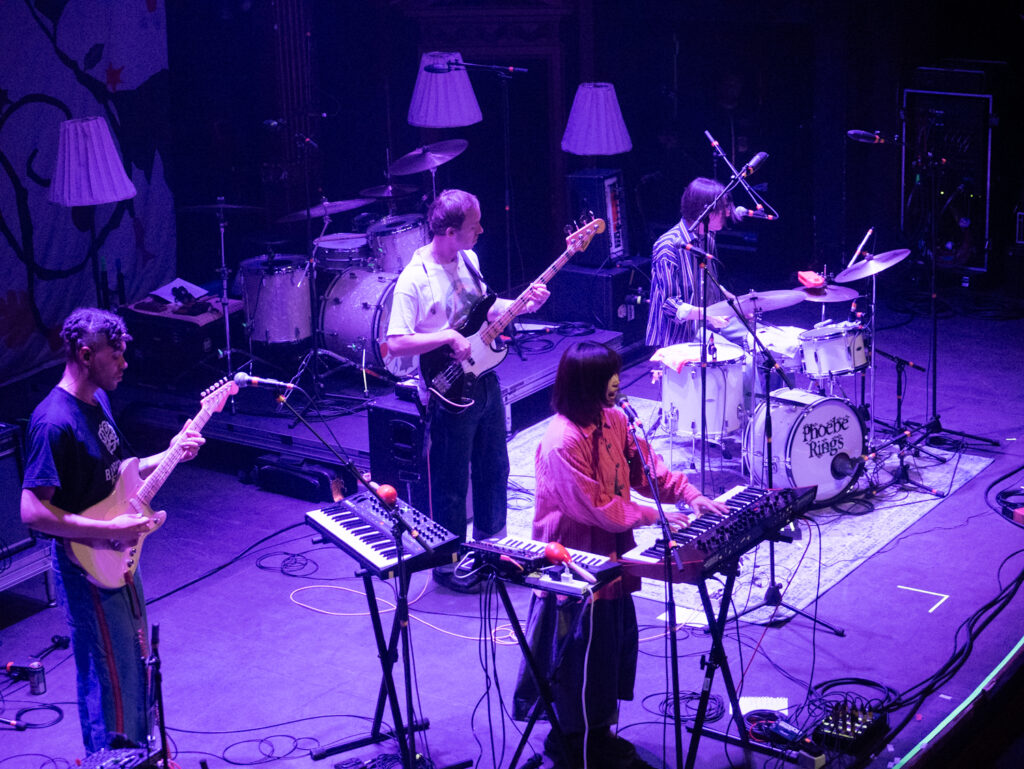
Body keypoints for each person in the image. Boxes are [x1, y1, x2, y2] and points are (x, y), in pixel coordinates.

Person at [512, 341, 728, 768]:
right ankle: (573, 742)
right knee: (577, 660)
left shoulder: (613, 420)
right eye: (606, 375)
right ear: (584, 383)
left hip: (612, 560)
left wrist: (690, 495)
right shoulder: (561, 442)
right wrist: (653, 516)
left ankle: (598, 735)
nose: (616, 381)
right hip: (574, 566)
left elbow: (647, 470)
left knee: (609, 652)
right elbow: (597, 508)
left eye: (615, 372)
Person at [21, 307, 204, 753]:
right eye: (115, 354)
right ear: (86, 355)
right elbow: (31, 511)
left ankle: (138, 755)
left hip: (117, 554)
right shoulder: (53, 422)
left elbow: (122, 476)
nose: (124, 363)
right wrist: (104, 532)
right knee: (107, 674)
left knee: (133, 663)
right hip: (86, 564)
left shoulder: (97, 402)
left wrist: (172, 452)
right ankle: (110, 760)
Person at [385, 189, 549, 592]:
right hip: (448, 390)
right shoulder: (414, 280)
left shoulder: (468, 260)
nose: (481, 230)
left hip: (485, 379)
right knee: (451, 483)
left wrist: (523, 304)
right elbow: (395, 343)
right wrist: (446, 337)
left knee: (495, 469)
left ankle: (494, 551)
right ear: (449, 231)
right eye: (473, 225)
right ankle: (447, 565)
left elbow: (485, 309)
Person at [645, 176, 745, 349]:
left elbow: (708, 285)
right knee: (737, 354)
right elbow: (670, 305)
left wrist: (739, 303)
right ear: (704, 212)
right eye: (723, 208)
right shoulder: (667, 247)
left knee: (754, 343)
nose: (728, 213)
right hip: (677, 336)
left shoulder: (708, 237)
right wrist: (709, 315)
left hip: (705, 325)